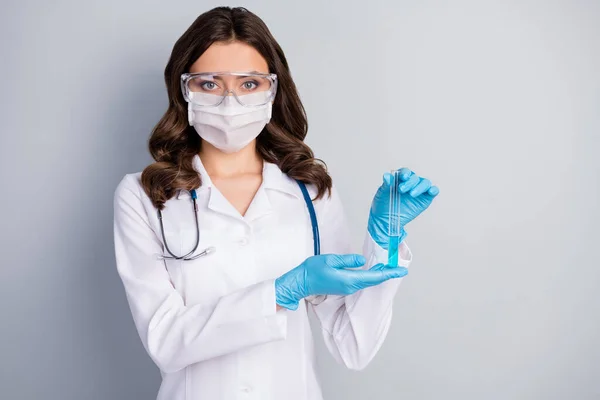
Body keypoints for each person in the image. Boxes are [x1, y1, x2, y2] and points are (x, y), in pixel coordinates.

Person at [113, 6, 439, 400]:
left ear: (272, 88)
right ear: (184, 90)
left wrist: (386, 242)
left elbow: (354, 345)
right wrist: (283, 291)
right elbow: (165, 340)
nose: (230, 102)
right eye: (210, 84)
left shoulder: (309, 190)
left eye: (249, 84)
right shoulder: (145, 196)